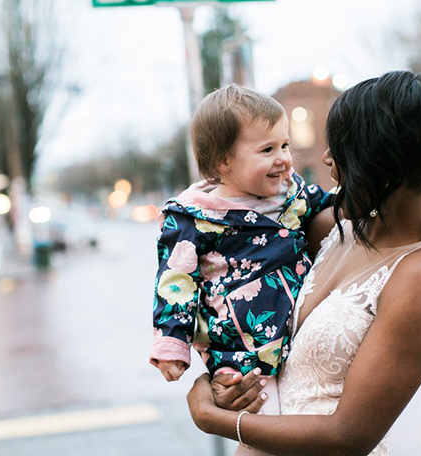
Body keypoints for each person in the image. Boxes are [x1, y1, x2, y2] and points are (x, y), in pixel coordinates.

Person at [186, 71, 421, 455]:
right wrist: (217, 377)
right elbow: (227, 277)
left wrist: (211, 417)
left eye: (341, 148)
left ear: (379, 158)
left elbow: (349, 436)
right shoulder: (330, 228)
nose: (327, 159)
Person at [150, 84, 334, 446]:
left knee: (306, 421)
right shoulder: (193, 218)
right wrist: (172, 344)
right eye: (267, 150)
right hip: (240, 352)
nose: (283, 158)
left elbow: (330, 204)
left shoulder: (292, 193)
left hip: (296, 338)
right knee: (269, 437)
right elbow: (175, 281)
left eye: (285, 145)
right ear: (224, 162)